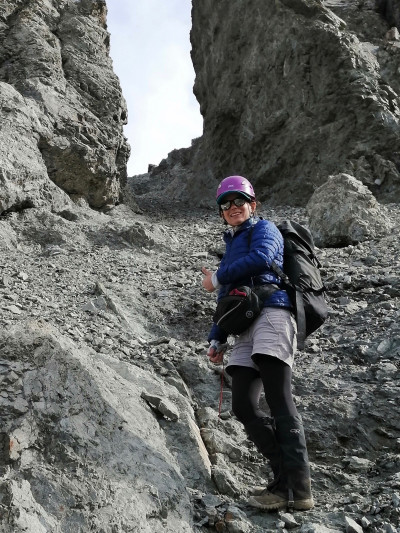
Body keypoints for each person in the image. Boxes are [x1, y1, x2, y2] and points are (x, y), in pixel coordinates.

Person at [201, 175, 314, 511]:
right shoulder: (231, 244)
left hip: (274, 314)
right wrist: (216, 338)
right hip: (245, 327)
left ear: (253, 204)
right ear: (221, 211)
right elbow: (226, 298)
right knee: (244, 406)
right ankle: (282, 483)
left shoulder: (264, 230)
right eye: (226, 203)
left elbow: (264, 259)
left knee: (279, 398)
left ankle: (299, 489)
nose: (233, 207)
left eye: (239, 201)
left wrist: (218, 276)